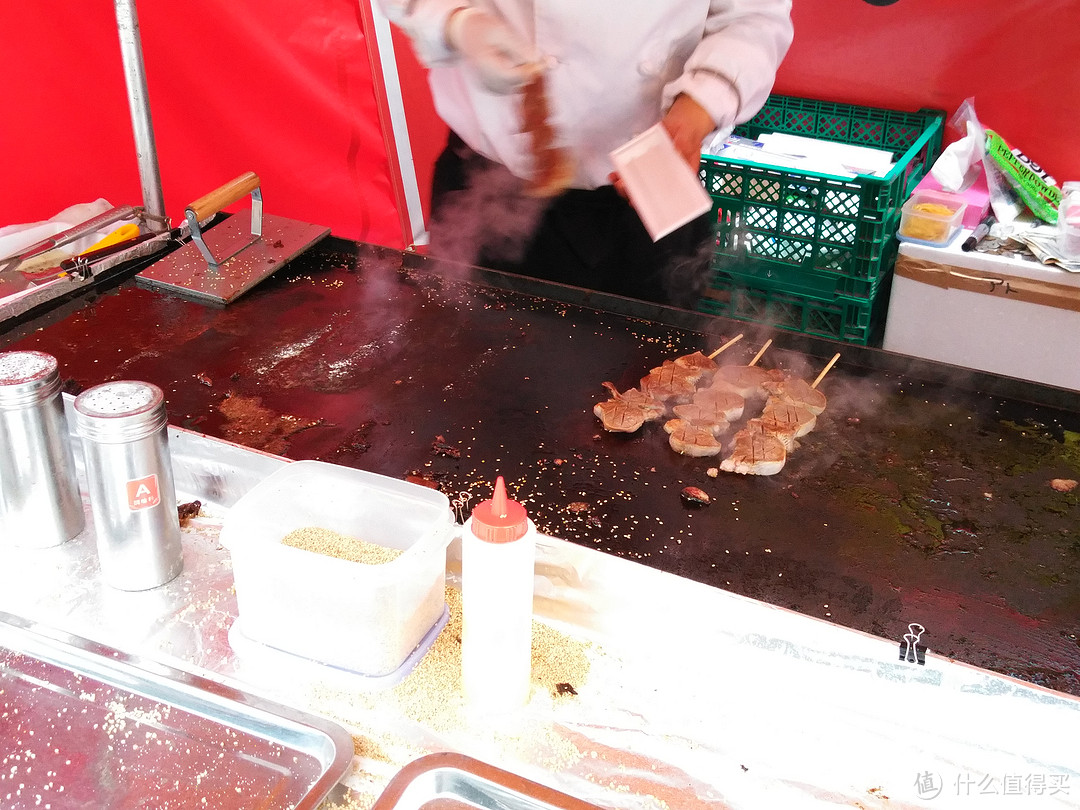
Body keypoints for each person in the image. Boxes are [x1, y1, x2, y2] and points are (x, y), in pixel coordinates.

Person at [378, 1, 794, 308]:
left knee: (650, 394)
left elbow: (753, 18)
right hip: (486, 185)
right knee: (469, 382)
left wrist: (701, 104)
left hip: (647, 181)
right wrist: (456, 21)